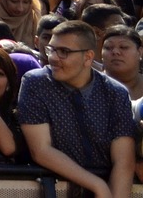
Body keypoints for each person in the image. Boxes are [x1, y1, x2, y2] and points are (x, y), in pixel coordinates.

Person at [18, 20, 135, 198]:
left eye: (64, 52)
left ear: (88, 57)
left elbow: (123, 161)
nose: (53, 58)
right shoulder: (35, 83)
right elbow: (41, 151)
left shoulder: (115, 93)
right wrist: (97, 185)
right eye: (51, 50)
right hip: (53, 189)